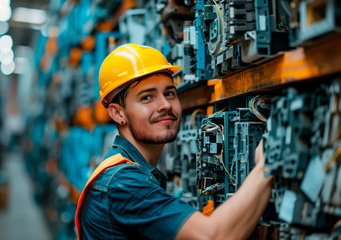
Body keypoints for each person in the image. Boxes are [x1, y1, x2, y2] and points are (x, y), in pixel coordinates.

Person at [75, 44, 274, 240]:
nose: (165, 105)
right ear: (118, 113)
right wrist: (265, 164)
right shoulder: (123, 184)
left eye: (169, 93)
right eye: (147, 98)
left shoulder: (128, 173)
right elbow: (215, 236)